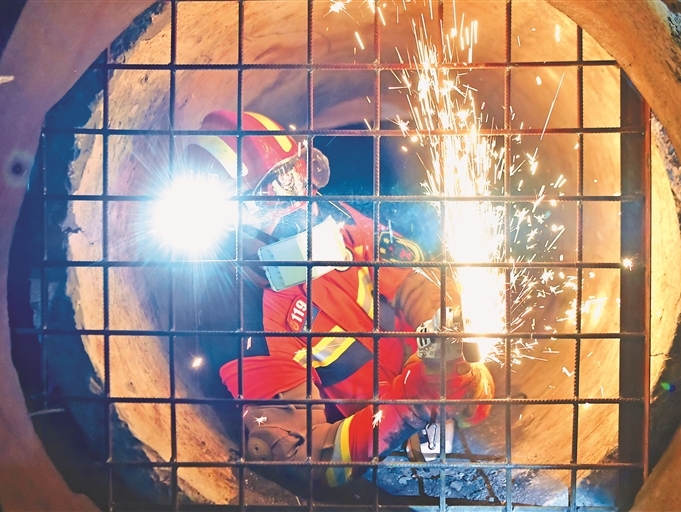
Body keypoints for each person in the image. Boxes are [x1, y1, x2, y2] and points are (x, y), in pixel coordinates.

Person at [184, 110, 495, 487]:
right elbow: (306, 456)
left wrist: (442, 342)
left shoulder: (334, 218)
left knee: (471, 390)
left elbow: (412, 283)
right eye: (276, 193)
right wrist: (411, 404)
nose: (305, 201)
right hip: (376, 452)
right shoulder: (241, 325)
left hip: (420, 383)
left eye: (299, 174)